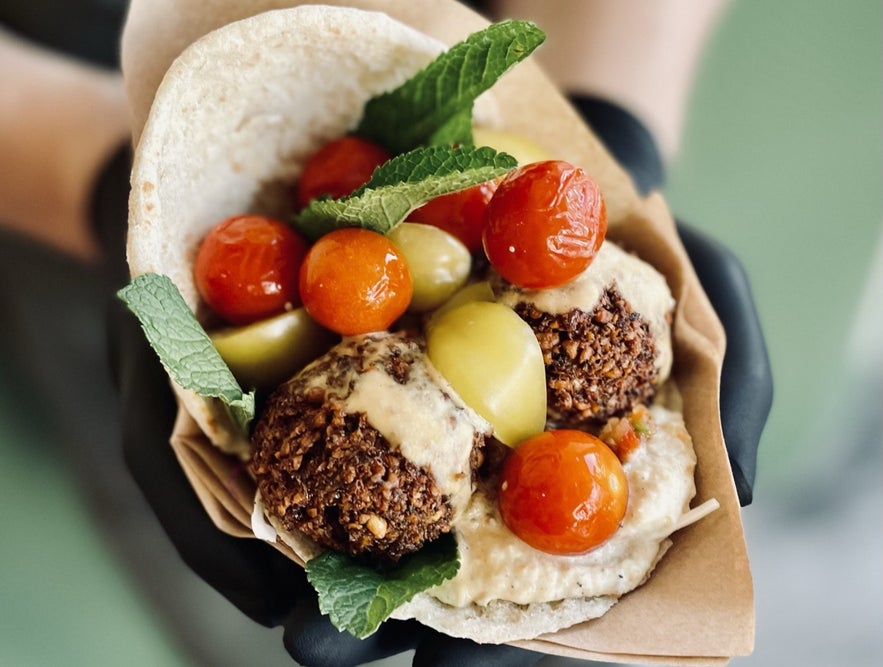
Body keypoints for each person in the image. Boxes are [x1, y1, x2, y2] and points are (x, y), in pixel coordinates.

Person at [1, 1, 771, 665]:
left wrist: (610, 116)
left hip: (481, 111)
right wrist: (102, 180)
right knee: (227, 612)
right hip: (50, 206)